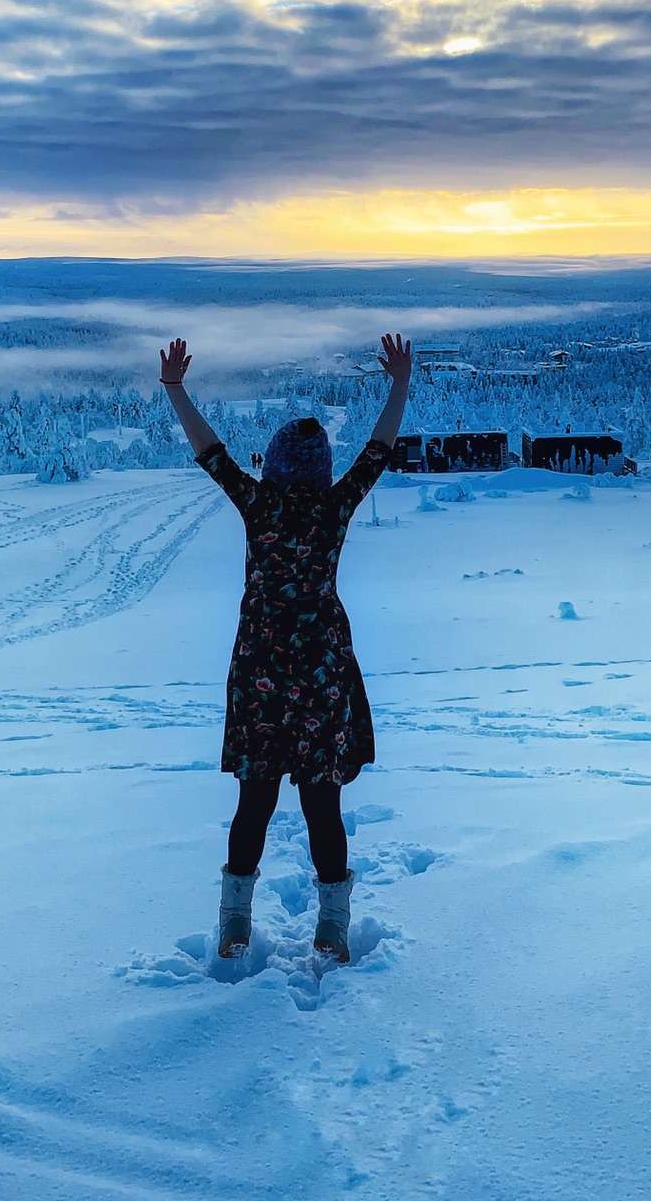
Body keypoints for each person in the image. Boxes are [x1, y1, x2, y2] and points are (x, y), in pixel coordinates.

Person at [159, 334, 413, 962]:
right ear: (323, 469)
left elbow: (209, 450)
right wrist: (400, 383)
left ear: (272, 465)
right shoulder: (334, 509)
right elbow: (378, 452)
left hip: (259, 673)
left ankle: (234, 924)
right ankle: (331, 928)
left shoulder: (258, 505)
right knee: (322, 804)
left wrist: (175, 388)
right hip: (322, 675)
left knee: (255, 801)